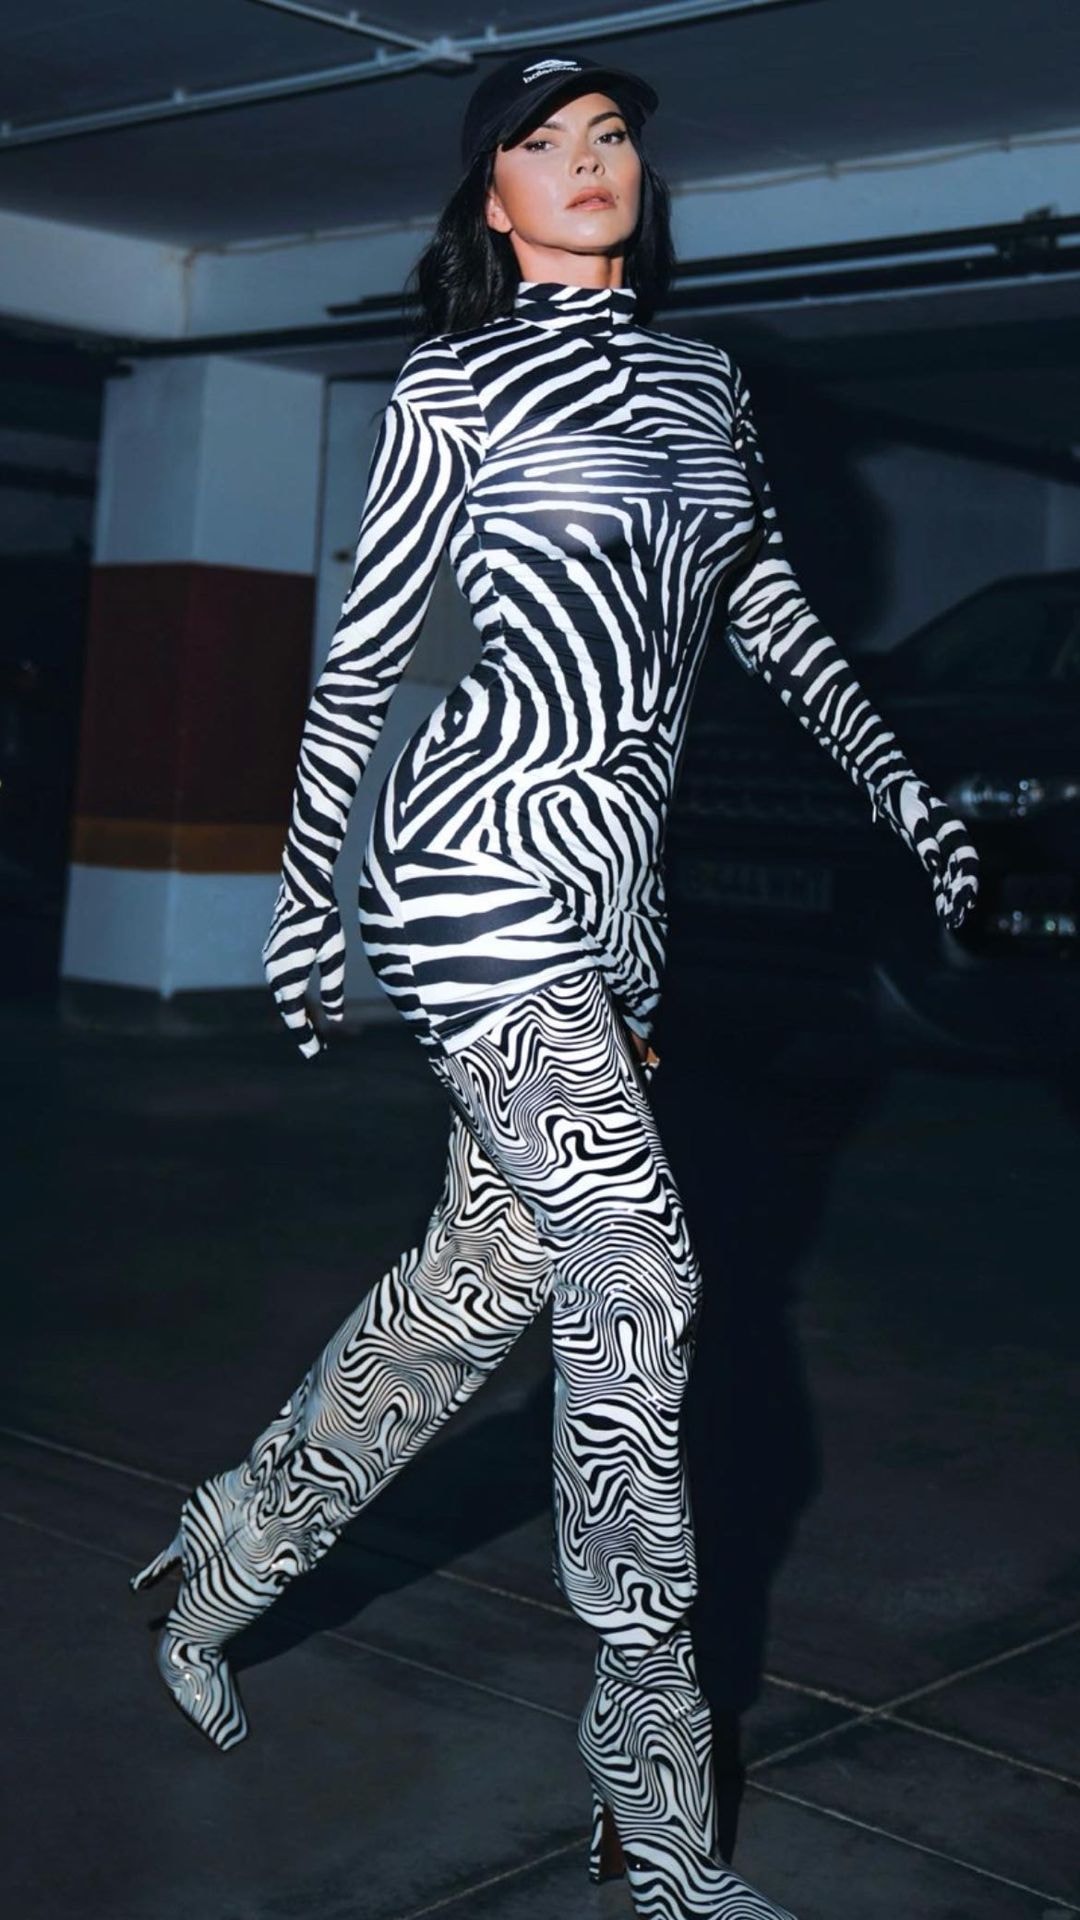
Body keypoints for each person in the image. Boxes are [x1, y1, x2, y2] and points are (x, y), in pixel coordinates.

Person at [130, 47, 979, 1920]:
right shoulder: (451, 386)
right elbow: (367, 658)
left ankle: (230, 1551)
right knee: (640, 1280)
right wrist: (307, 893)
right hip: (475, 866)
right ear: (492, 197)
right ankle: (651, 1797)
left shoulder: (707, 383)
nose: (589, 161)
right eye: (544, 141)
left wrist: (905, 788)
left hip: (622, 898)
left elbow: (764, 607)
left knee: (478, 1290)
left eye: (611, 138)